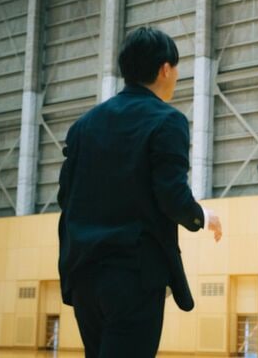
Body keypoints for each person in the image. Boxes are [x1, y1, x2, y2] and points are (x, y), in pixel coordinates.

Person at [58, 27, 223, 357]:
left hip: (83, 273)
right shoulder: (167, 121)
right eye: (176, 68)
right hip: (133, 276)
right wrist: (204, 216)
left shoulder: (83, 126)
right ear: (165, 69)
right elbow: (171, 197)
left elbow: (66, 196)